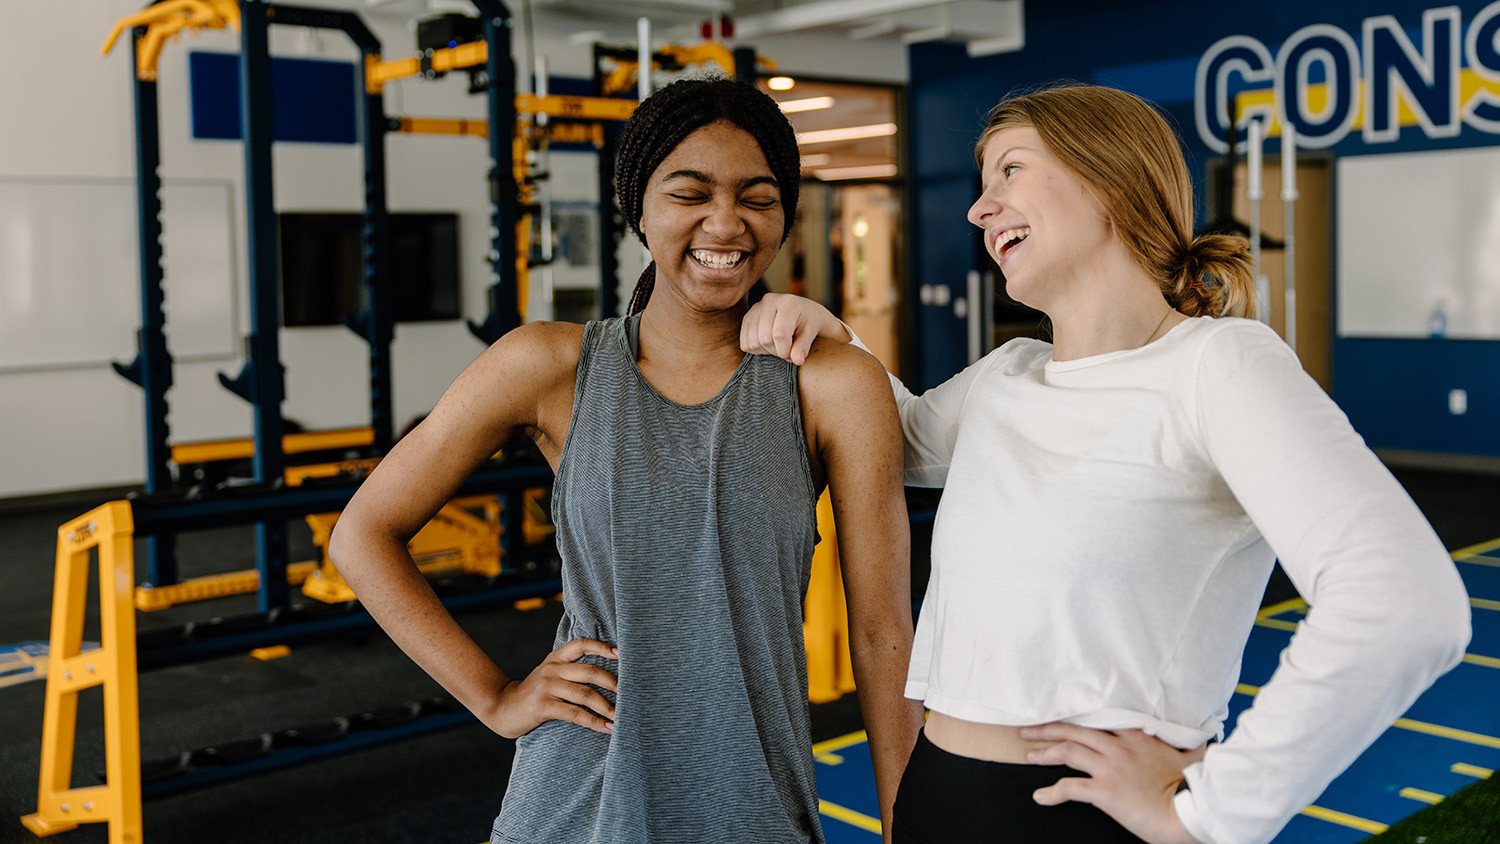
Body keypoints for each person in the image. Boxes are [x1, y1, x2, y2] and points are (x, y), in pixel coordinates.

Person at [740, 83, 1471, 844]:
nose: (979, 209)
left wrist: (1209, 814)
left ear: (1110, 180)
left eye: (1010, 171)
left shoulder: (1216, 365)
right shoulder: (1007, 374)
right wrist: (828, 335)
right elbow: (893, 438)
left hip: (1080, 820)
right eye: (982, 184)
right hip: (939, 796)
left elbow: (1405, 599)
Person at [329, 76, 923, 844]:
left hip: (751, 806)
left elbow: (882, 633)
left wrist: (908, 826)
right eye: (690, 192)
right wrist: (498, 698)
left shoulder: (834, 384)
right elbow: (362, 535)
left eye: (758, 196)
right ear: (638, 209)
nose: (726, 221)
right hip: (575, 805)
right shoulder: (547, 364)